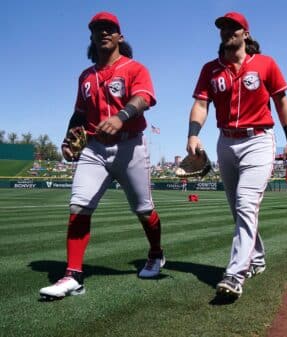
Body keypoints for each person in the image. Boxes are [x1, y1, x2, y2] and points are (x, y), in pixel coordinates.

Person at [40, 12, 165, 300]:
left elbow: (144, 98)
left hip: (129, 144)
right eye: (97, 30)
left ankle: (156, 253)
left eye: (109, 29)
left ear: (120, 36)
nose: (103, 33)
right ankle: (73, 275)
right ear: (92, 37)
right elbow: (80, 114)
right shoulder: (86, 76)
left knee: (144, 211)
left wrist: (121, 117)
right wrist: (69, 139)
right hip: (94, 147)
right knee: (78, 207)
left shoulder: (135, 68)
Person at [186, 12, 287, 299]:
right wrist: (193, 134)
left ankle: (235, 274)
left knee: (247, 204)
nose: (227, 31)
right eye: (223, 27)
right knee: (238, 209)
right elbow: (201, 104)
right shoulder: (211, 69)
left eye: (233, 27)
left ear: (245, 34)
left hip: (258, 140)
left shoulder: (265, 63)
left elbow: (282, 103)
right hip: (226, 141)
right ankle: (257, 258)